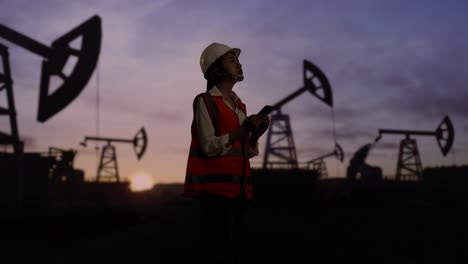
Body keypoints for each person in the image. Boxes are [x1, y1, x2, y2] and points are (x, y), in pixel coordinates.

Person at [183, 42, 270, 264]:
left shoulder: (240, 106)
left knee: (236, 252)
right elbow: (209, 146)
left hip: (241, 190)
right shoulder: (204, 101)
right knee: (218, 251)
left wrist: (255, 134)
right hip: (215, 192)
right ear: (216, 68)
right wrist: (243, 129)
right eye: (231, 60)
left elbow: (244, 152)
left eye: (237, 60)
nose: (238, 63)